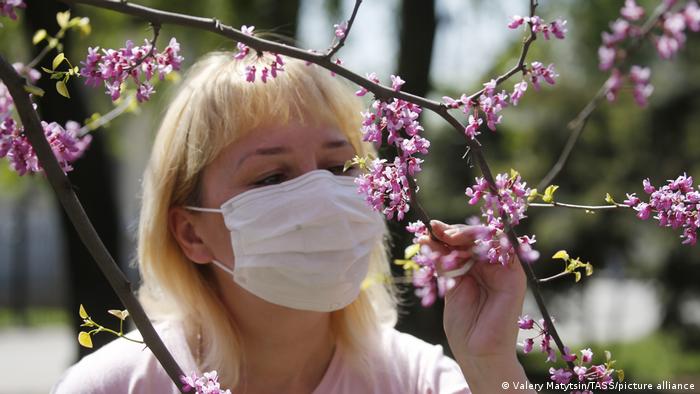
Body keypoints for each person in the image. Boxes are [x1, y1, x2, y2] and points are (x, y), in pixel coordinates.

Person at [52, 52, 536, 394]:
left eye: (340, 167)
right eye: (271, 177)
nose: (321, 195)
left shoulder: (416, 379)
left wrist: (491, 363)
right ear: (191, 232)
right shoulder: (114, 387)